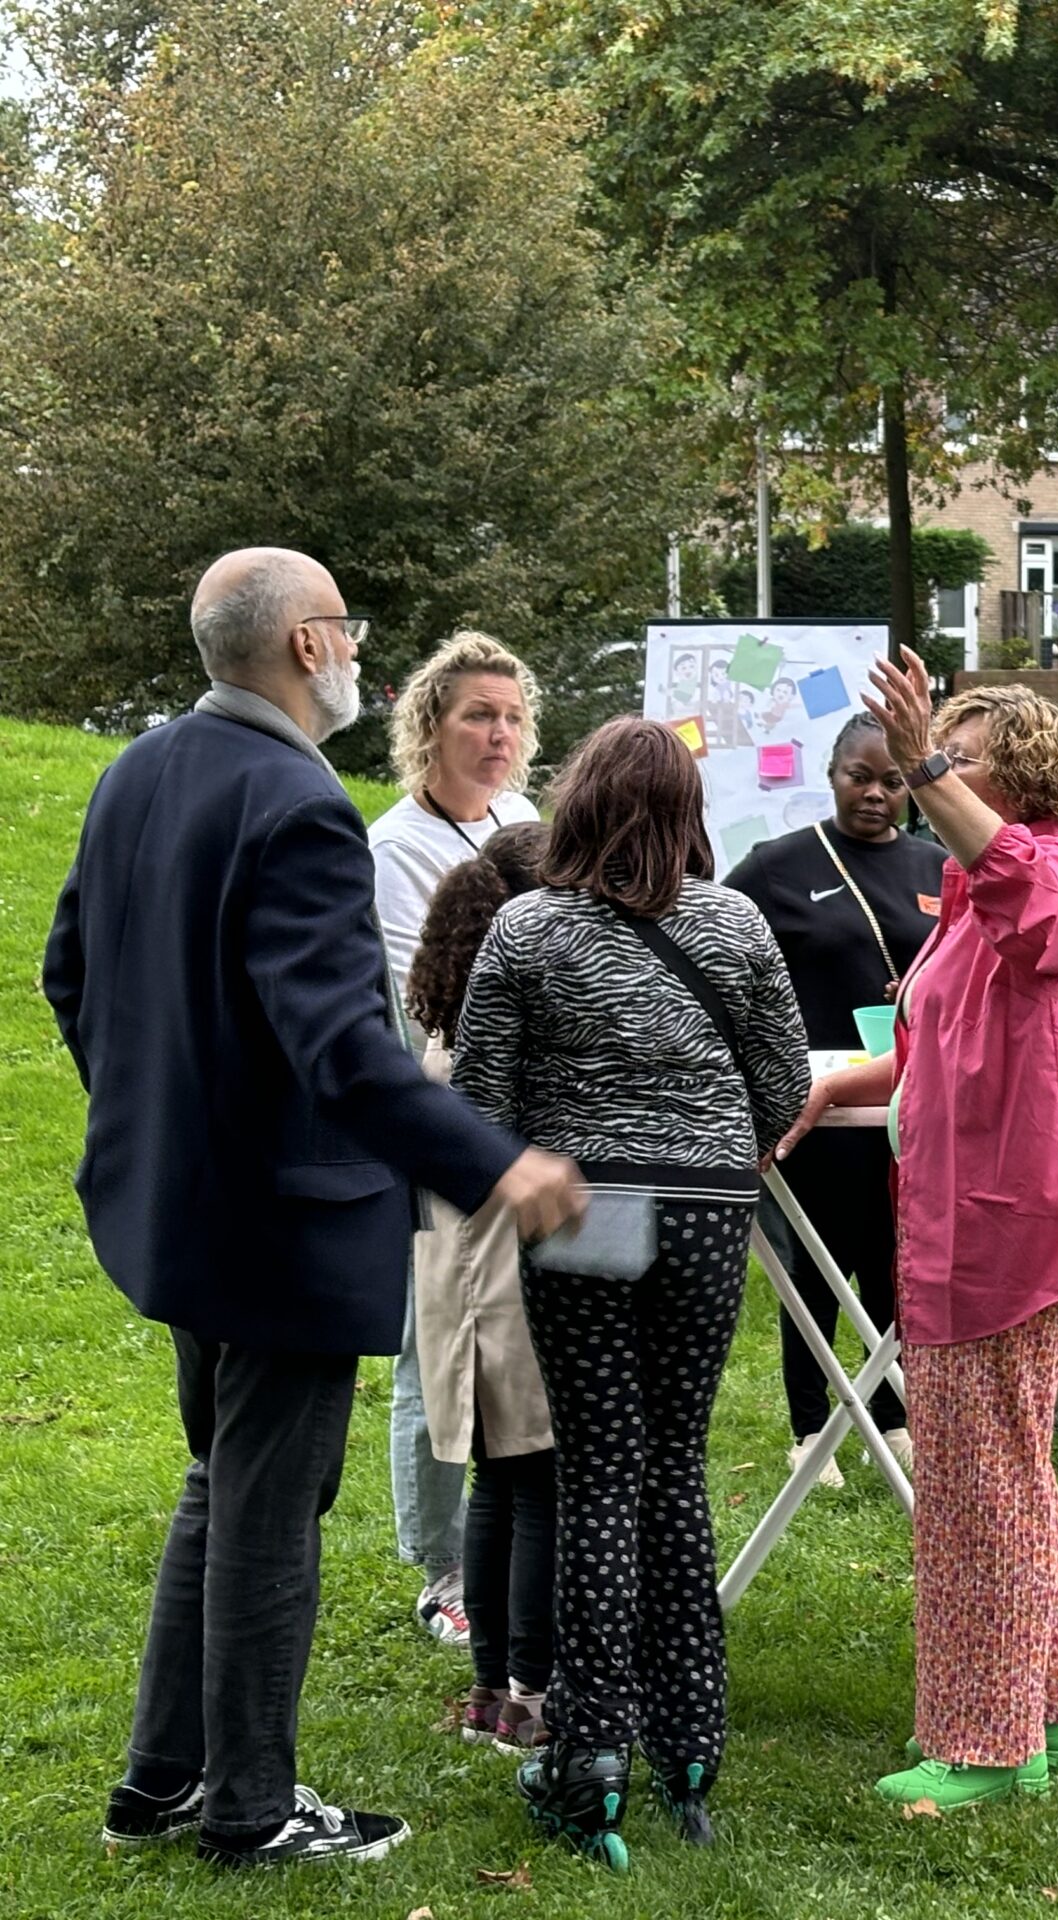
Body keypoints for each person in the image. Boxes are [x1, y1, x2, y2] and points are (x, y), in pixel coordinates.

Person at [42, 547, 584, 1868]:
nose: (357, 653)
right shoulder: (299, 804)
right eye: (346, 629)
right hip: (274, 1224)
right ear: (302, 646)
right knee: (268, 1509)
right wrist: (496, 1165)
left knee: (219, 1489)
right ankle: (252, 1807)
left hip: (177, 1206)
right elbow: (344, 1054)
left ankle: (163, 1781)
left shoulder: (140, 770)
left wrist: (158, 1115)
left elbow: (73, 977)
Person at [452, 717, 811, 1856]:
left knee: (601, 1470)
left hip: (583, 1207)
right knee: (678, 1471)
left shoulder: (527, 928)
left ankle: (590, 1750)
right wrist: (723, 1152)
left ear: (579, 804)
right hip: (706, 1207)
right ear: (689, 811)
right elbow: (785, 1076)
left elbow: (480, 1092)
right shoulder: (737, 920)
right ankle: (690, 1745)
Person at [781, 662, 1058, 1813]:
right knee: (1009, 1479)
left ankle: (982, 1744)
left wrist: (923, 763)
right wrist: (842, 1088)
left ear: (1020, 777)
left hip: (1008, 1232)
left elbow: (1028, 892)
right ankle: (1042, 1722)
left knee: (981, 1491)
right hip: (964, 1223)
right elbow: (942, 1040)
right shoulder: (975, 900)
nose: (934, 772)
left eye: (959, 755)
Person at [369, 631, 541, 1648]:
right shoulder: (395, 848)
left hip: (530, 1120)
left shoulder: (523, 819)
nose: (499, 734)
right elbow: (422, 1007)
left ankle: (504, 1544)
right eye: (479, 714)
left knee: (507, 1344)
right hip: (438, 1115)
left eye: (513, 717)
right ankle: (442, 1572)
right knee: (427, 1349)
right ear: (429, 724)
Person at [724, 713, 944, 1484]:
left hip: (907, 1107)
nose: (876, 794)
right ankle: (810, 1427)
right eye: (861, 776)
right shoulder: (778, 867)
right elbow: (724, 951)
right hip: (813, 1106)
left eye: (891, 781)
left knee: (892, 1265)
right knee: (812, 1268)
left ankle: (892, 1414)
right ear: (832, 772)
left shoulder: (937, 866)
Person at [404, 823, 557, 1755]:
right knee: (539, 1484)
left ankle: (492, 1688)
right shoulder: (517, 1020)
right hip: (506, 1278)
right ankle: (532, 1699)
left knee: (502, 1483)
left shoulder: (450, 1015)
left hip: (459, 1276)